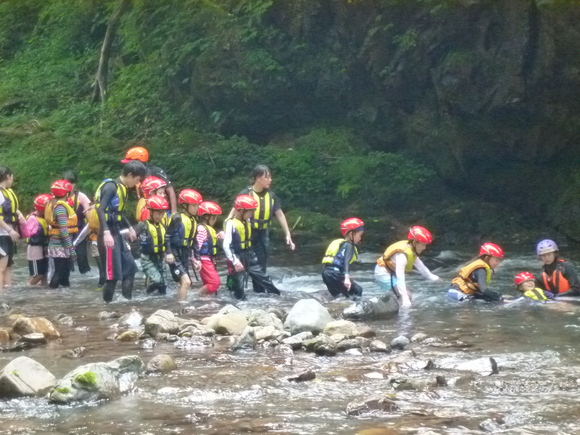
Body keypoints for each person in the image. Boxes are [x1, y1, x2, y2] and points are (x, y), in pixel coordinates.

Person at [95, 161, 147, 302]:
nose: (138, 183)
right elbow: (100, 209)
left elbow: (118, 212)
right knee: (112, 277)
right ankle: (107, 307)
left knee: (130, 270)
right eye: (137, 179)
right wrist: (106, 232)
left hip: (116, 232)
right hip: (107, 234)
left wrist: (130, 227)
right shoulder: (111, 187)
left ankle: (126, 303)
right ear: (130, 175)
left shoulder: (122, 188)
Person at [234, 165, 295, 273]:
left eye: (270, 177)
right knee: (244, 263)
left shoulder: (271, 195)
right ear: (258, 178)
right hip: (247, 233)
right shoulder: (246, 194)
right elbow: (233, 214)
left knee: (262, 264)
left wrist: (288, 234)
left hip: (263, 233)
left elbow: (280, 214)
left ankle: (259, 289)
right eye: (267, 177)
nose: (270, 180)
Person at [223, 194, 281, 300]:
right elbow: (226, 245)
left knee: (264, 278)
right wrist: (235, 261)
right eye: (250, 211)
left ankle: (278, 296)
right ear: (241, 210)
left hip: (249, 254)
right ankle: (234, 301)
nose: (252, 214)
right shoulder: (231, 223)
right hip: (237, 256)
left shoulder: (247, 221)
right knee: (237, 286)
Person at [375, 226, 440, 308]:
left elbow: (420, 266)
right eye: (423, 245)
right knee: (407, 296)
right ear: (415, 242)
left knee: (407, 296)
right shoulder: (402, 255)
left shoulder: (411, 250)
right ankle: (401, 318)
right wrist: (405, 299)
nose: (424, 248)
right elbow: (400, 277)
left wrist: (433, 278)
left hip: (391, 273)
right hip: (383, 274)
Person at [166, 189, 203, 301]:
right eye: (194, 205)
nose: (197, 208)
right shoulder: (177, 218)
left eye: (198, 205)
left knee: (182, 283)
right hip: (175, 254)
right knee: (186, 281)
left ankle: (179, 303)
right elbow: (167, 236)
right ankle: (181, 306)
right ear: (185, 206)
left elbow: (194, 241)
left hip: (184, 254)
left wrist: (197, 258)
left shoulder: (193, 220)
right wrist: (169, 253)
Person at [121, 146, 177, 214]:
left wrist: (174, 211)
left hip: (162, 210)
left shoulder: (156, 171)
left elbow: (170, 190)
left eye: (131, 162)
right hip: (146, 210)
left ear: (139, 161)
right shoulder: (133, 176)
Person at [134, 195, 172, 296]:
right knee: (157, 281)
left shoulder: (163, 226)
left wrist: (169, 253)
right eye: (158, 213)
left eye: (162, 213)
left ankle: (159, 304)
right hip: (147, 258)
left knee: (163, 286)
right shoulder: (143, 225)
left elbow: (167, 242)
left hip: (160, 257)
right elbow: (132, 236)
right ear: (150, 211)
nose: (160, 216)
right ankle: (144, 295)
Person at [45, 180, 78, 288]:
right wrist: (71, 249)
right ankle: (52, 295)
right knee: (59, 272)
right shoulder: (60, 208)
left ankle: (63, 298)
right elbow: (64, 230)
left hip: (58, 244)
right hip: (60, 245)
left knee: (64, 274)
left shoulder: (55, 204)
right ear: (66, 194)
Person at [321, 217, 364, 299]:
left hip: (326, 273)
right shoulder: (349, 245)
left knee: (340, 296)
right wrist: (347, 278)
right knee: (358, 290)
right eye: (359, 235)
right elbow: (346, 261)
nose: (360, 238)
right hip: (335, 274)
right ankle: (355, 310)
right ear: (351, 234)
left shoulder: (341, 244)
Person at [0, 166, 24, 289]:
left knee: (8, 265)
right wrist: (9, 230)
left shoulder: (6, 192)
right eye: (12, 177)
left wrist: (19, 214)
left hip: (7, 234)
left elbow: (10, 208)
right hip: (2, 235)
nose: (12, 179)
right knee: (1, 267)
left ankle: (8, 294)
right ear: (8, 176)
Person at [63, 170, 91, 274]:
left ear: (75, 184)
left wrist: (92, 226)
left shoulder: (81, 196)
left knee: (81, 255)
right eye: (67, 183)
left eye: (72, 183)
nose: (70, 186)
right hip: (64, 230)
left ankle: (85, 275)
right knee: (66, 258)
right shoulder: (58, 197)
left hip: (80, 230)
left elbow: (88, 213)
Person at [21, 194, 51, 286]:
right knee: (39, 274)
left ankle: (43, 292)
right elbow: (26, 234)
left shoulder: (45, 219)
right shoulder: (32, 219)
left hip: (44, 248)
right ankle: (27, 288)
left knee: (45, 273)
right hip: (35, 249)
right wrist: (23, 224)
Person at [196, 201, 222, 296]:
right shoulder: (201, 229)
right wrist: (196, 260)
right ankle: (195, 296)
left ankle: (206, 301)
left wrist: (217, 236)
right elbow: (197, 246)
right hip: (204, 260)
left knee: (208, 283)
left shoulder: (207, 228)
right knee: (215, 283)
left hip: (209, 259)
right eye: (214, 217)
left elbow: (209, 240)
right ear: (206, 217)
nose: (215, 220)